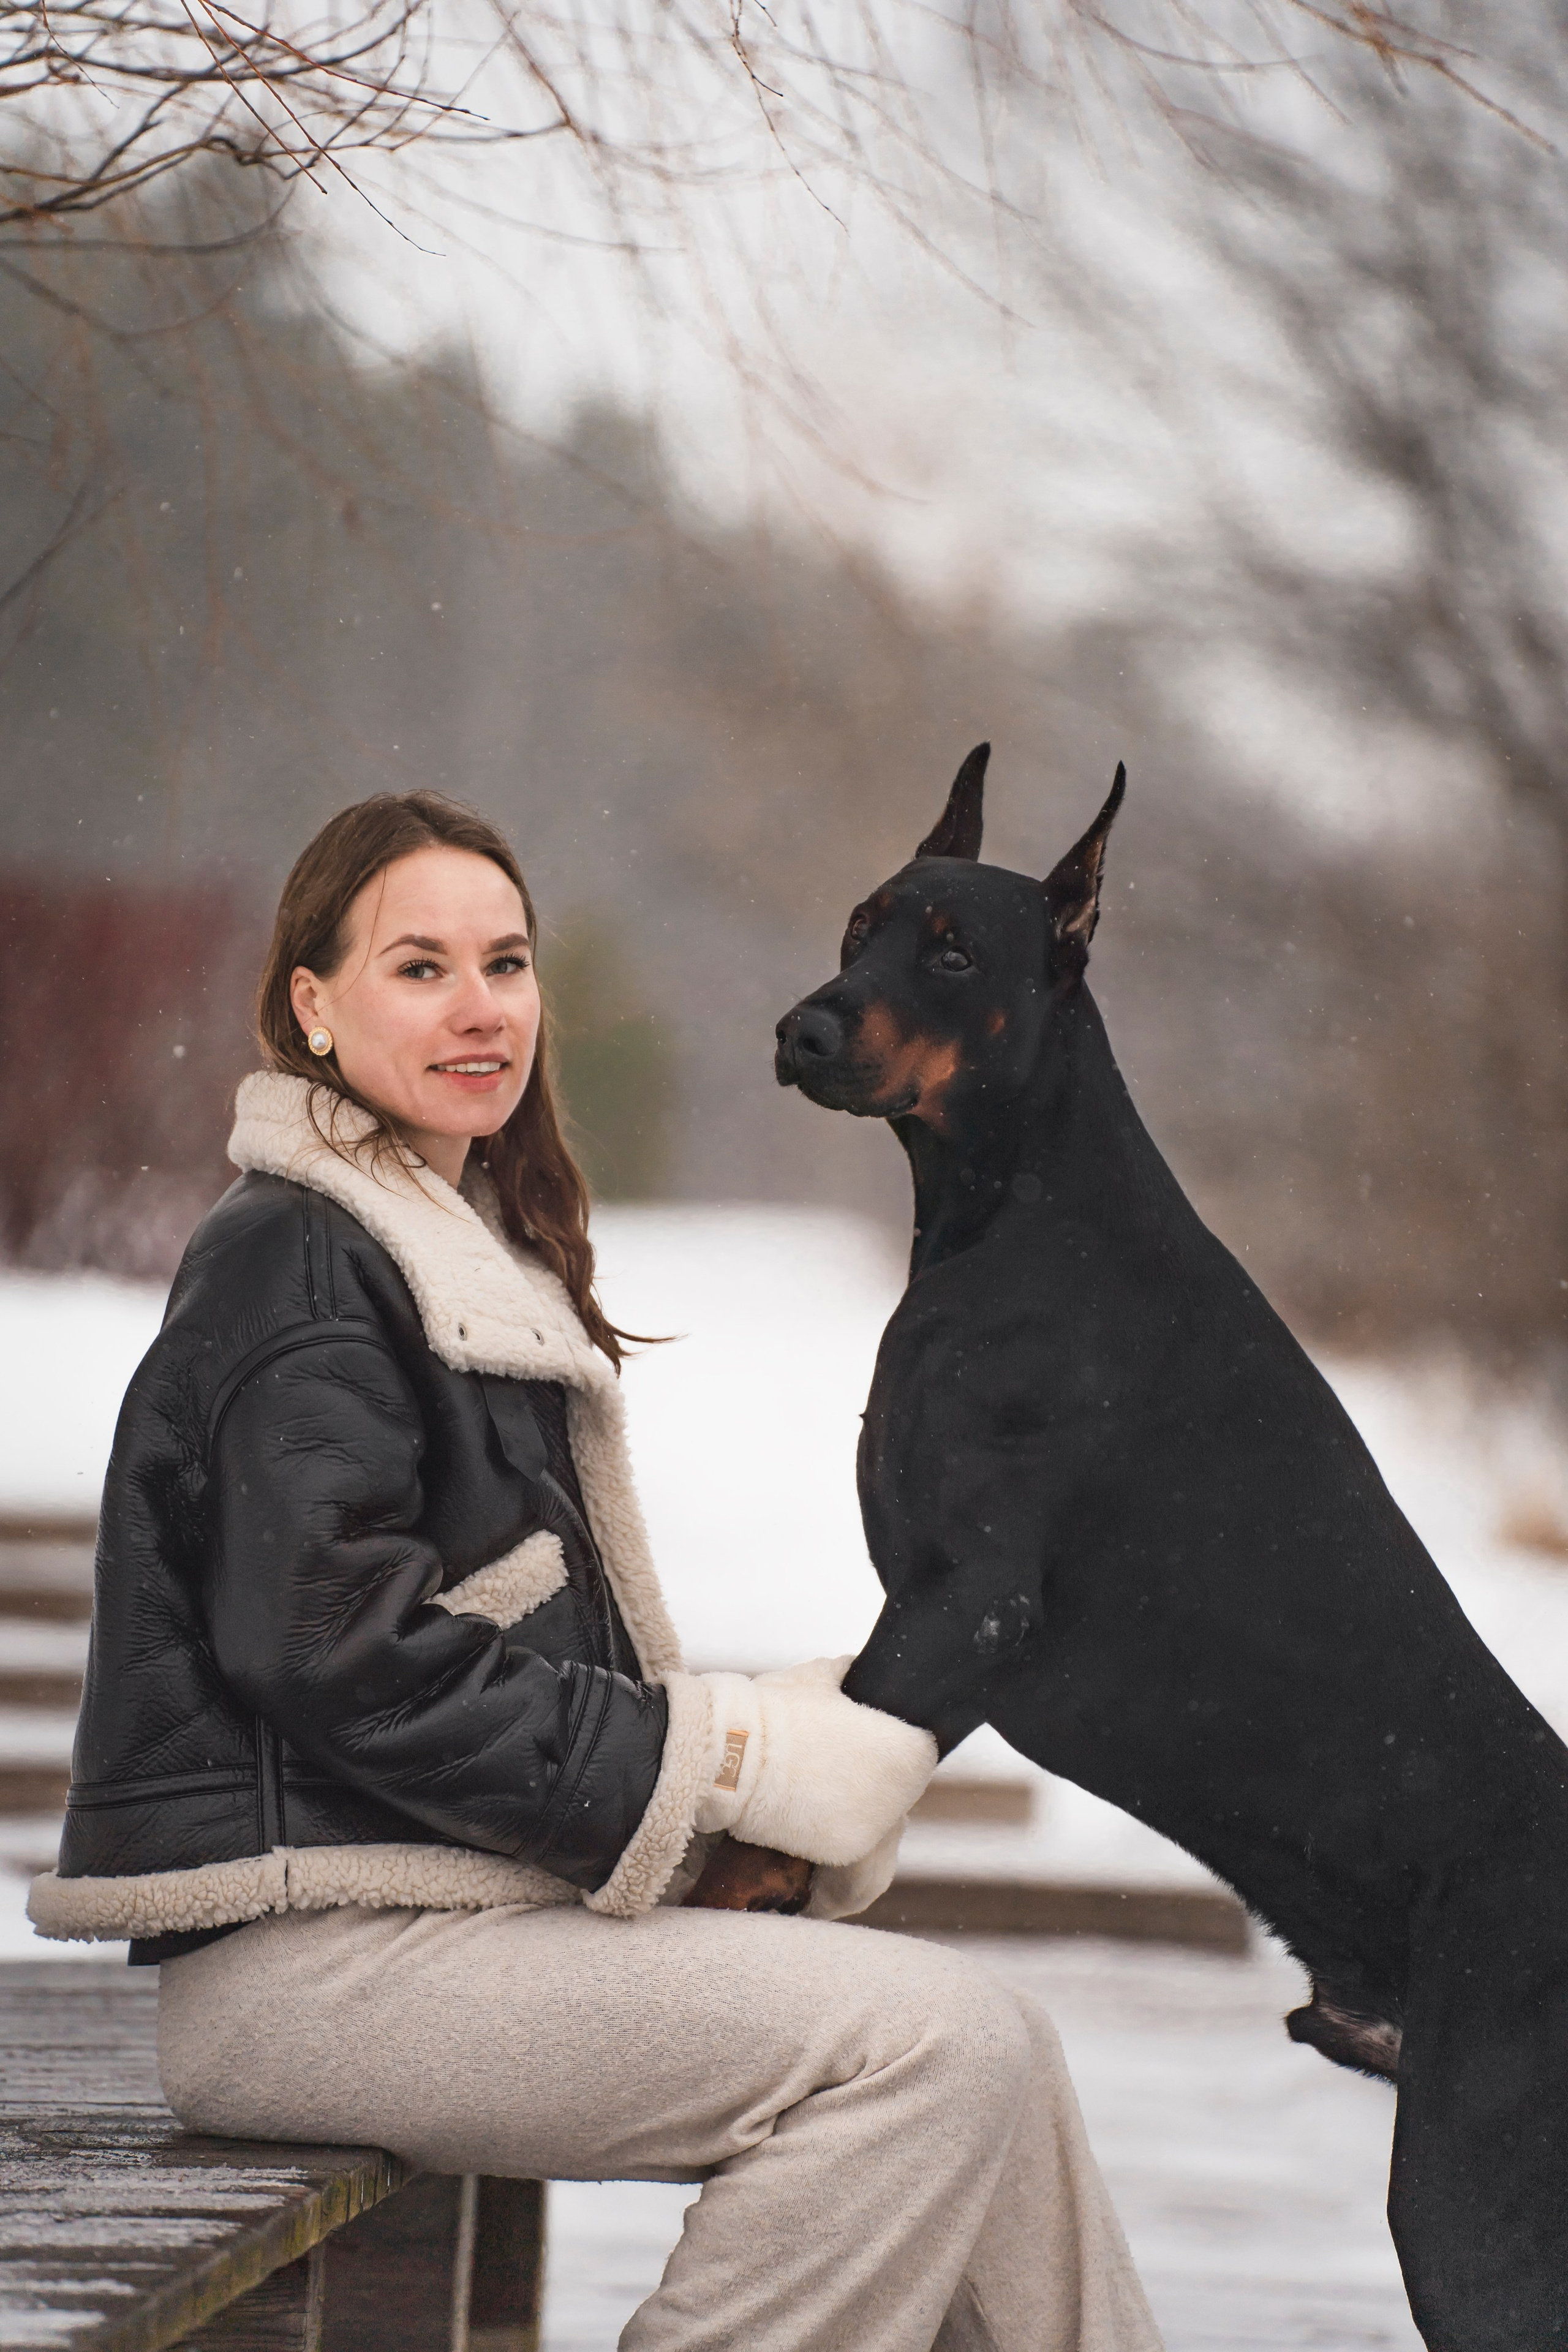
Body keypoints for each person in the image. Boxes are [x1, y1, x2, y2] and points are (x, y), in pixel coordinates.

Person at [28, 792, 1162, 2352]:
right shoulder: (298, 1262)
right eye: (419, 967)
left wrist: (720, 1807)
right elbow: (333, 1650)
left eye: (505, 962)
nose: (479, 1006)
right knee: (923, 2050)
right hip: (307, 1965)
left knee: (1000, 2051)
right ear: (312, 1004)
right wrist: (731, 1758)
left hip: (427, 1913)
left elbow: (465, 1647)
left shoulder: (430, 1236)